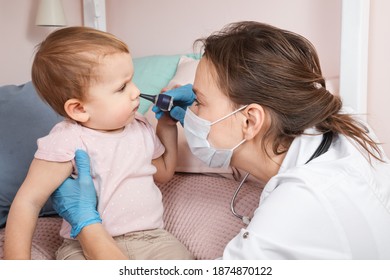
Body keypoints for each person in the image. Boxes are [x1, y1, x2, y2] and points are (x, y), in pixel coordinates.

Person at [52, 21, 390, 259]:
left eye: (199, 100)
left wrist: (87, 224)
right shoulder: (336, 118)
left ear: (250, 120)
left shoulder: (292, 214)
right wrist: (202, 105)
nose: (192, 112)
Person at [4, 26, 193, 260]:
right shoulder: (67, 140)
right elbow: (28, 202)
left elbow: (163, 172)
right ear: (79, 109)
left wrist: (166, 125)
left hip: (151, 239)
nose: (136, 92)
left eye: (132, 80)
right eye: (122, 87)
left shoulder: (140, 125)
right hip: (81, 246)